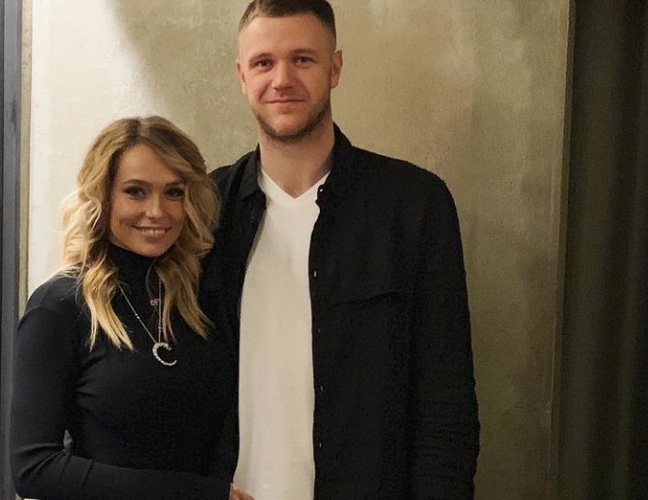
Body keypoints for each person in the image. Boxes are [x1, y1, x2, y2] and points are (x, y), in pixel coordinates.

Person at [202, 1, 480, 498]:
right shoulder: (202, 211)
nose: (282, 79)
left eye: (302, 59)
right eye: (264, 62)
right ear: (242, 76)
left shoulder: (413, 206)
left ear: (334, 68)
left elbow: (446, 404)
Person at [10, 116, 253, 500]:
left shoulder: (199, 301)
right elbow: (34, 468)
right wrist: (194, 494)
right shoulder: (59, 307)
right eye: (136, 192)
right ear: (102, 196)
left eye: (173, 192)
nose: (157, 211)